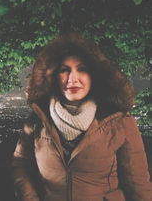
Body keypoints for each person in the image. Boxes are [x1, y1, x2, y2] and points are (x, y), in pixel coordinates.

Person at [12, 33, 152, 201]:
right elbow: (21, 166)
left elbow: (138, 184)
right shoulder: (37, 121)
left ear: (94, 75)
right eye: (65, 70)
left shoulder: (119, 120)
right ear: (54, 75)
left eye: (82, 69)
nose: (73, 78)